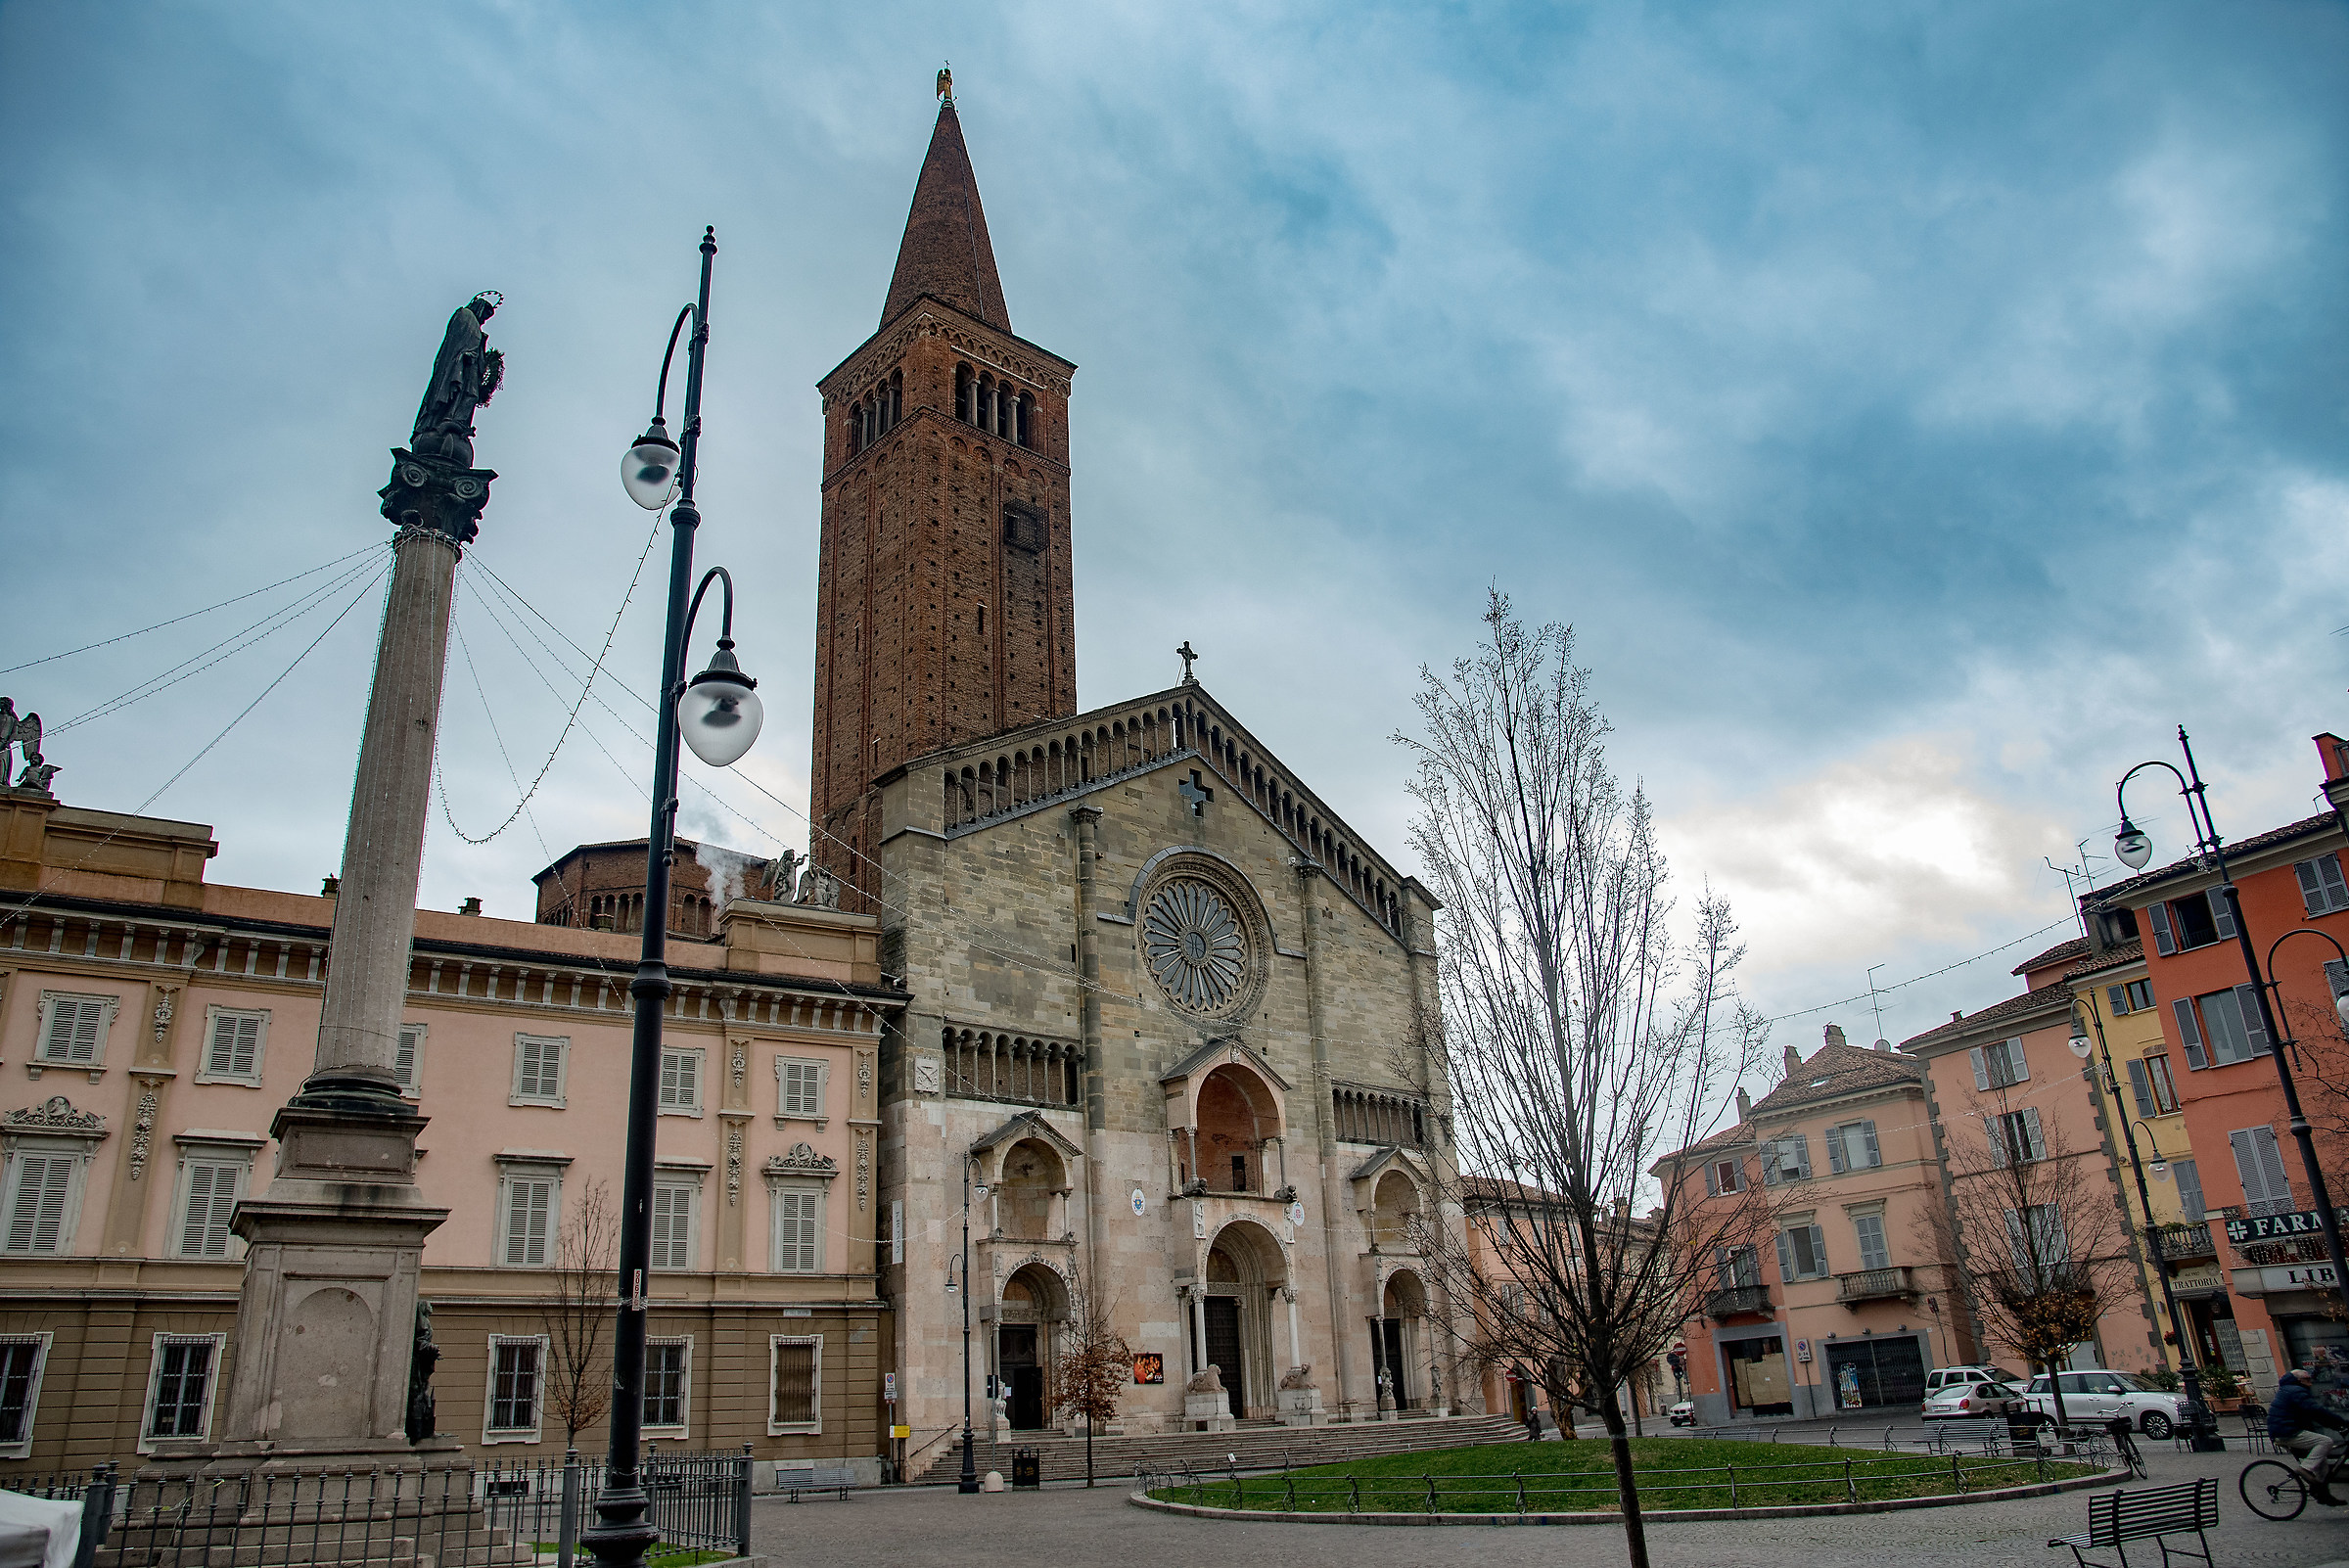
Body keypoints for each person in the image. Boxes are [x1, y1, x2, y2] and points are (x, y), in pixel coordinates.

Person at [2269, 1364, 2349, 1503]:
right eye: (2307, 1379)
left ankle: (2322, 1494)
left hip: (2287, 1430)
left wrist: (2337, 1426)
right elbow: (2315, 1410)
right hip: (2287, 1432)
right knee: (2325, 1441)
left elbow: (2315, 1415)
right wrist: (2342, 1422)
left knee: (2322, 1466)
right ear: (2299, 1380)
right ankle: (2305, 1469)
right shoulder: (2295, 1391)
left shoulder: (2290, 1390)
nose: (2310, 1383)